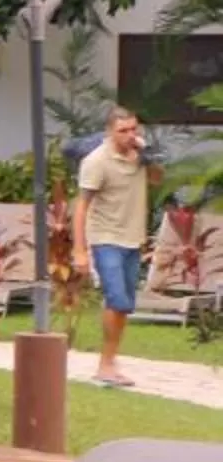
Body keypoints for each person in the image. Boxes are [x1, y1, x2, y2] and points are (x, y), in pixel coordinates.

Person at [74, 105, 158, 388]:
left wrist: (150, 156)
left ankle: (110, 360)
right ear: (110, 131)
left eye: (134, 129)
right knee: (117, 299)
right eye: (123, 131)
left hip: (133, 238)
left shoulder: (139, 157)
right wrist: (79, 251)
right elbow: (81, 207)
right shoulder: (97, 161)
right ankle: (105, 365)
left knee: (124, 306)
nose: (130, 135)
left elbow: (157, 179)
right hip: (105, 238)